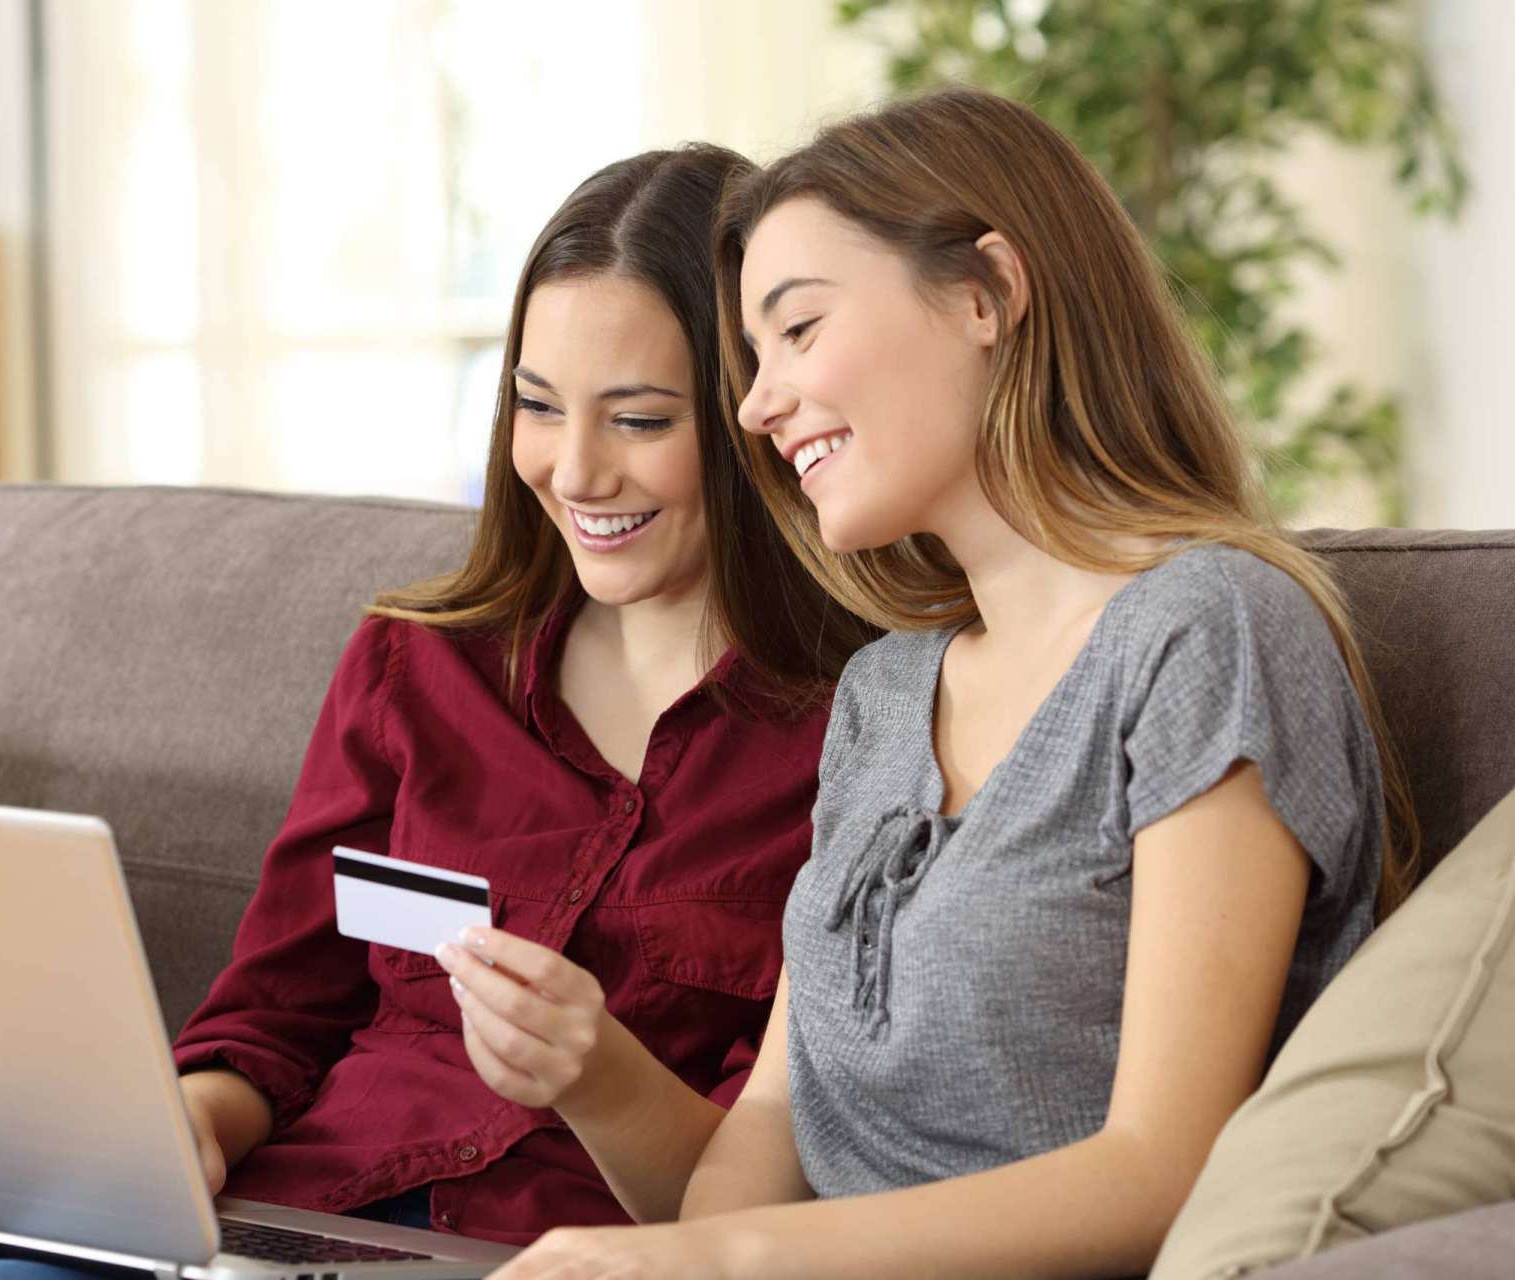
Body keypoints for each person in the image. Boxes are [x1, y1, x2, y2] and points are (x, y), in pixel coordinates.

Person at [0, 144, 873, 1279]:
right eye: (538, 404)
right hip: (282, 1209)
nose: (572, 470)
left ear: (750, 417)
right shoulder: (424, 664)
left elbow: (752, 1214)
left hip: (525, 1244)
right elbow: (277, 1008)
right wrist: (185, 1122)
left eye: (640, 418)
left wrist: (599, 1073)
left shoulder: (855, 743)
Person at [490, 88, 1418, 1280]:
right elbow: (768, 1127)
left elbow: (1161, 1170)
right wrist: (698, 1252)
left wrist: (733, 1261)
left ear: (985, 294)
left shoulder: (1208, 629)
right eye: (751, 359)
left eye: (798, 330)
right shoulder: (882, 693)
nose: (757, 404)